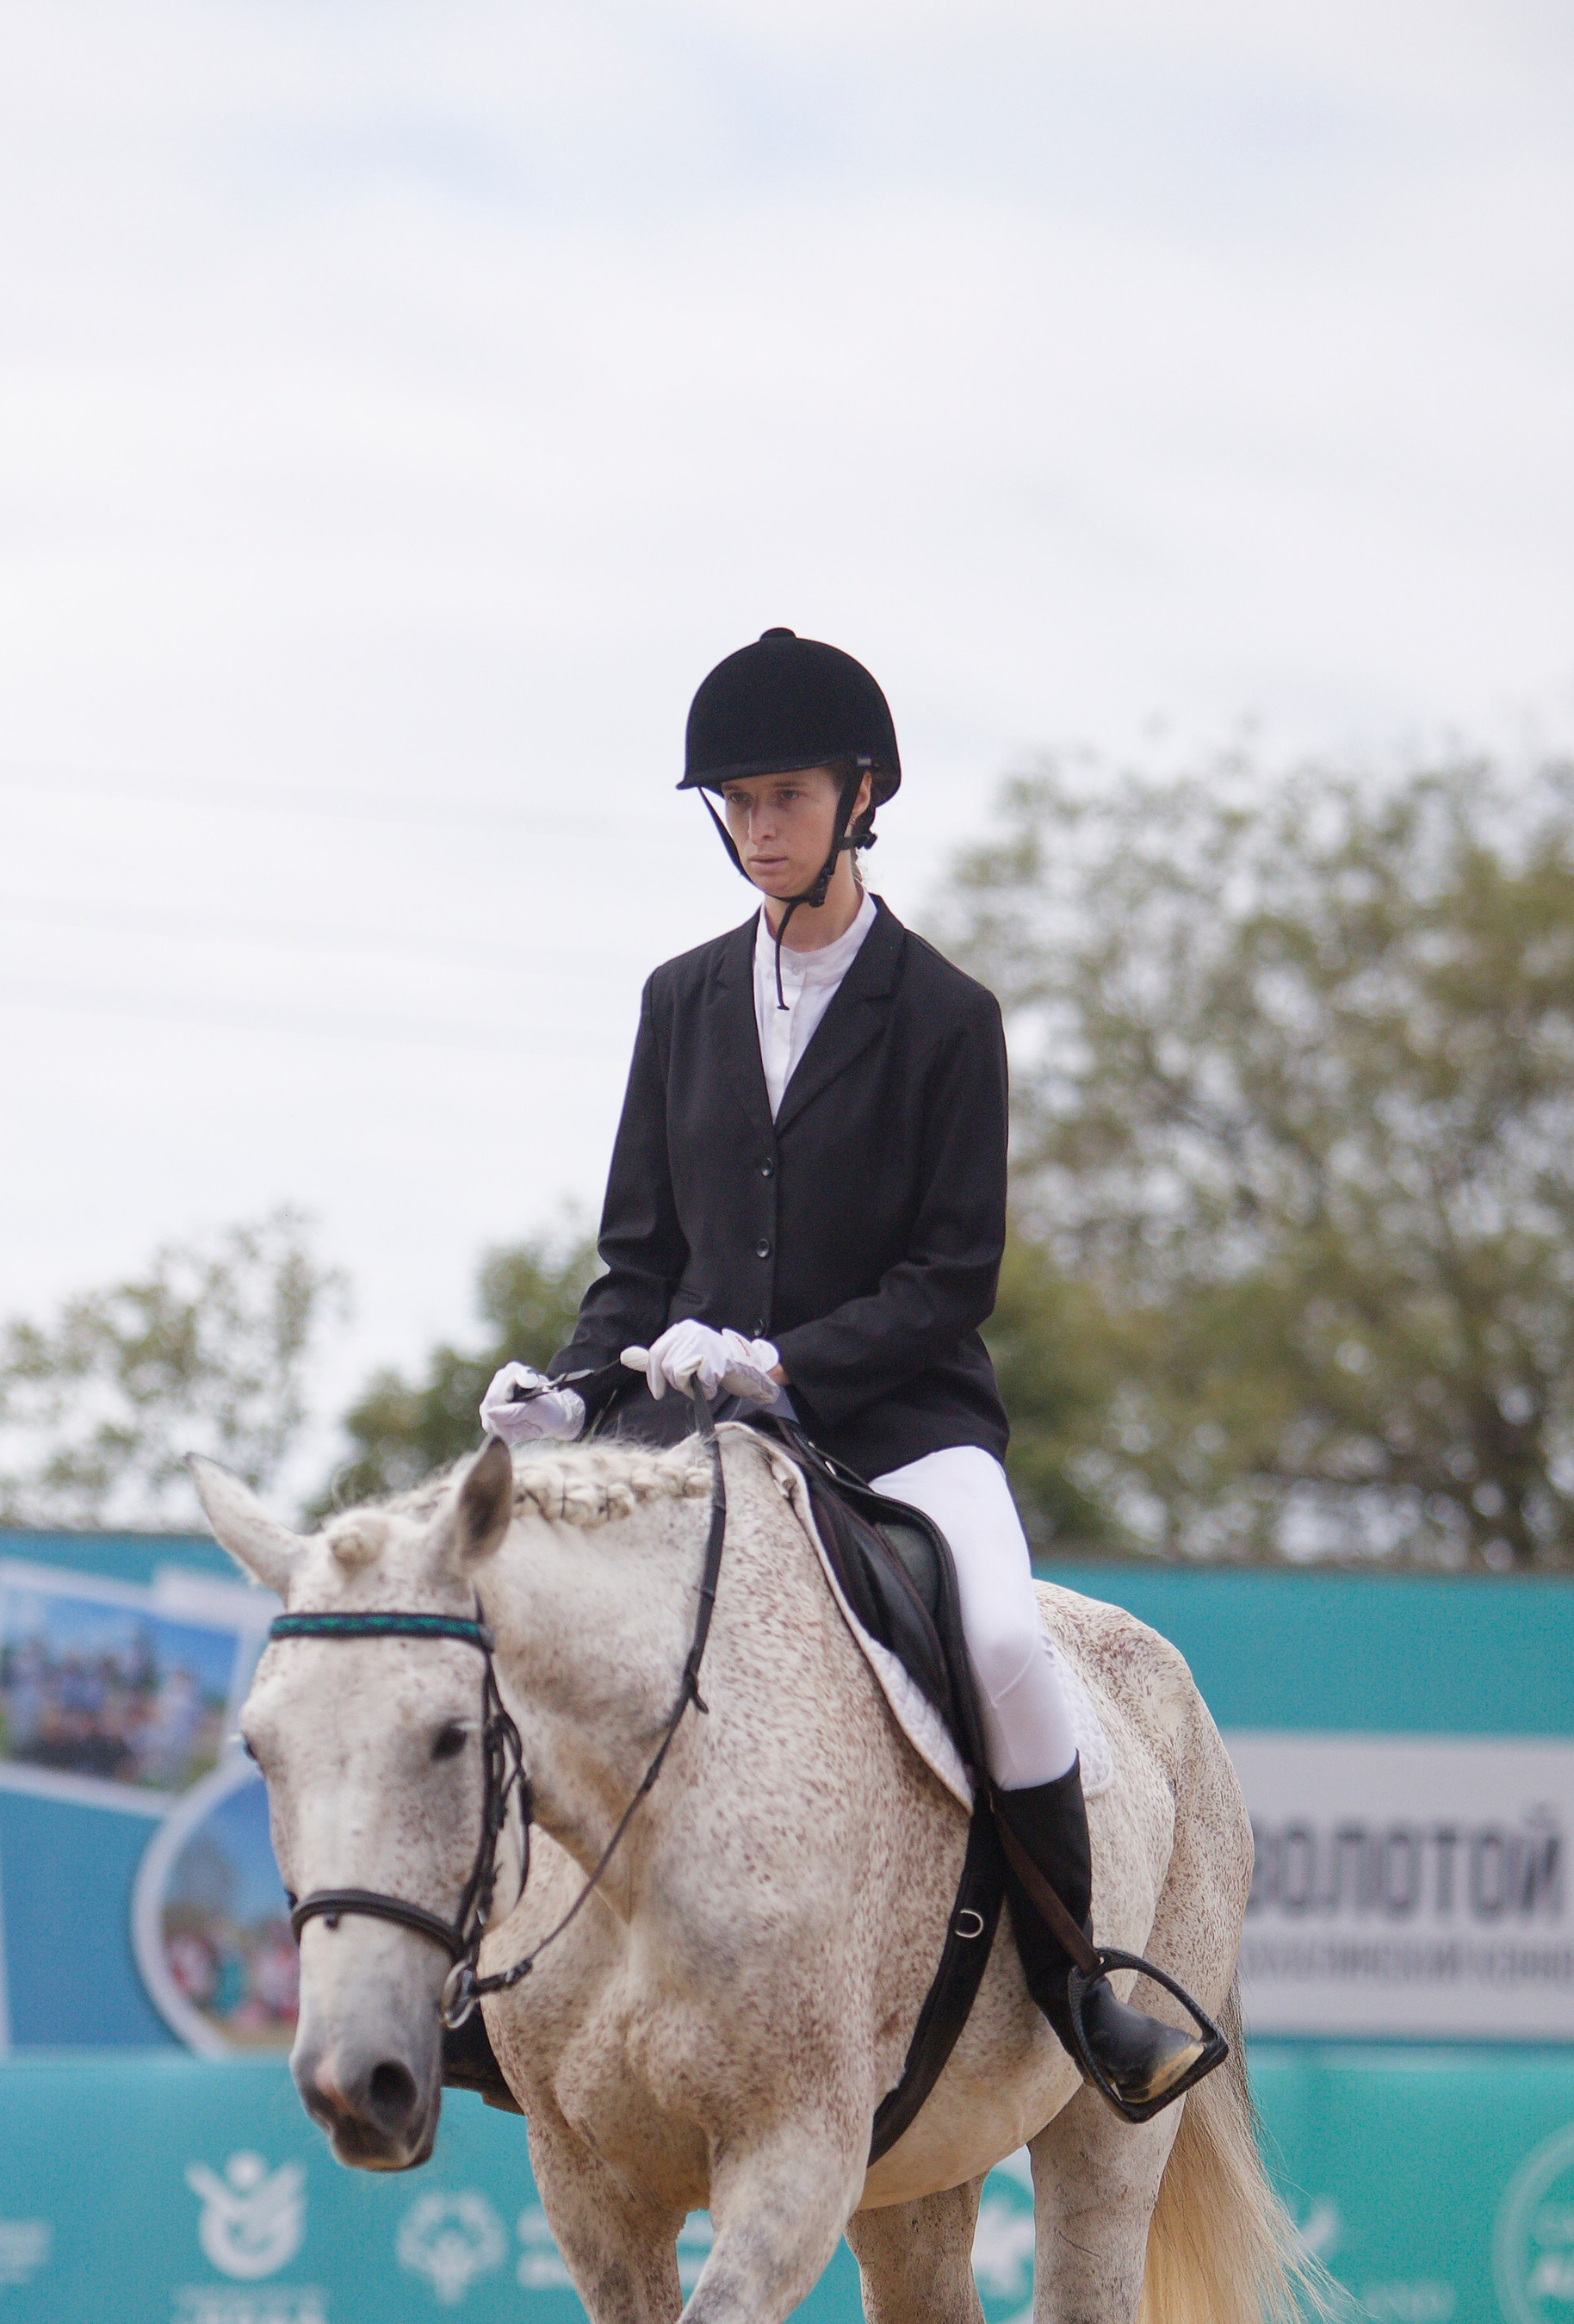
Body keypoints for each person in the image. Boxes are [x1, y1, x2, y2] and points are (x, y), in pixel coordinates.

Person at [478, 624, 1212, 2115]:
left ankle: (1077, 1982)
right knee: (527, 1626)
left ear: (861, 796)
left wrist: (783, 1360)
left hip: (899, 1425)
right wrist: (571, 1395)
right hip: (690, 1428)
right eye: (736, 804)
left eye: (786, 798)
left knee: (1006, 1641)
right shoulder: (679, 1000)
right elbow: (638, 1254)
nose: (758, 830)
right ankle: (482, 1988)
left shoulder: (947, 1017)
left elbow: (953, 1281)